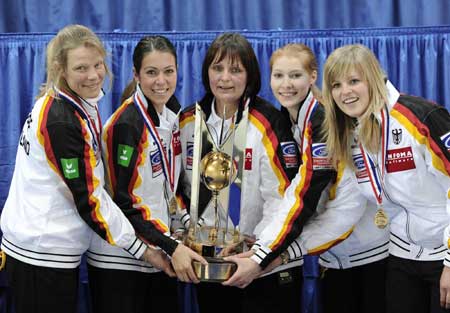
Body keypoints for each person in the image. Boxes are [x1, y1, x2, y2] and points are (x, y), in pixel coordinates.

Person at [0, 25, 168, 313]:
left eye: (98, 64)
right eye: (81, 67)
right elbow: (89, 200)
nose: (93, 75)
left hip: (45, 252)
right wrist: (145, 251)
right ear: (60, 69)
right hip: (41, 255)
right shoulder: (60, 119)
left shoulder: (75, 103)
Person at [320, 44, 450, 313]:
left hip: (443, 256)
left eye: (354, 81)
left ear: (374, 79)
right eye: (336, 85)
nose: (345, 93)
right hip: (401, 257)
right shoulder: (352, 133)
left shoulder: (422, 117)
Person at [178, 33, 301, 313]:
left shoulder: (268, 123)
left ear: (250, 76)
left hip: (262, 266)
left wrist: (256, 254)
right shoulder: (188, 121)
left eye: (235, 70)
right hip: (209, 267)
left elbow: (282, 200)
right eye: (217, 68)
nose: (225, 78)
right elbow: (177, 189)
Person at [86, 35, 206, 313]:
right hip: (120, 261)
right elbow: (122, 202)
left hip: (158, 253)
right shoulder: (127, 125)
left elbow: (168, 186)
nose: (161, 81)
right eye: (151, 73)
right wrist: (171, 246)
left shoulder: (171, 112)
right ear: (136, 75)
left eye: (168, 71)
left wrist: (187, 227)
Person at [271, 43, 389, 313]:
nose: (286, 84)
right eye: (278, 76)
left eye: (295, 75)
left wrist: (275, 252)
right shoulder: (289, 123)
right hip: (333, 256)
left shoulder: (327, 121)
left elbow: (342, 203)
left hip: (368, 252)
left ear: (313, 77)